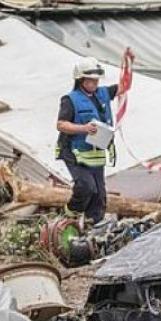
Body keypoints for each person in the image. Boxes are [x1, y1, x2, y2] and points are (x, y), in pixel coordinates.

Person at [55, 55, 127, 225]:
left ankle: (93, 225)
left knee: (99, 195)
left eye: (96, 80)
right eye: (90, 80)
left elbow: (123, 87)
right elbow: (61, 124)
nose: (94, 84)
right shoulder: (70, 100)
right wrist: (84, 128)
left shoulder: (103, 93)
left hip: (95, 153)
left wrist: (128, 63)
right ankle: (69, 216)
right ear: (81, 80)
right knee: (86, 186)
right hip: (74, 152)